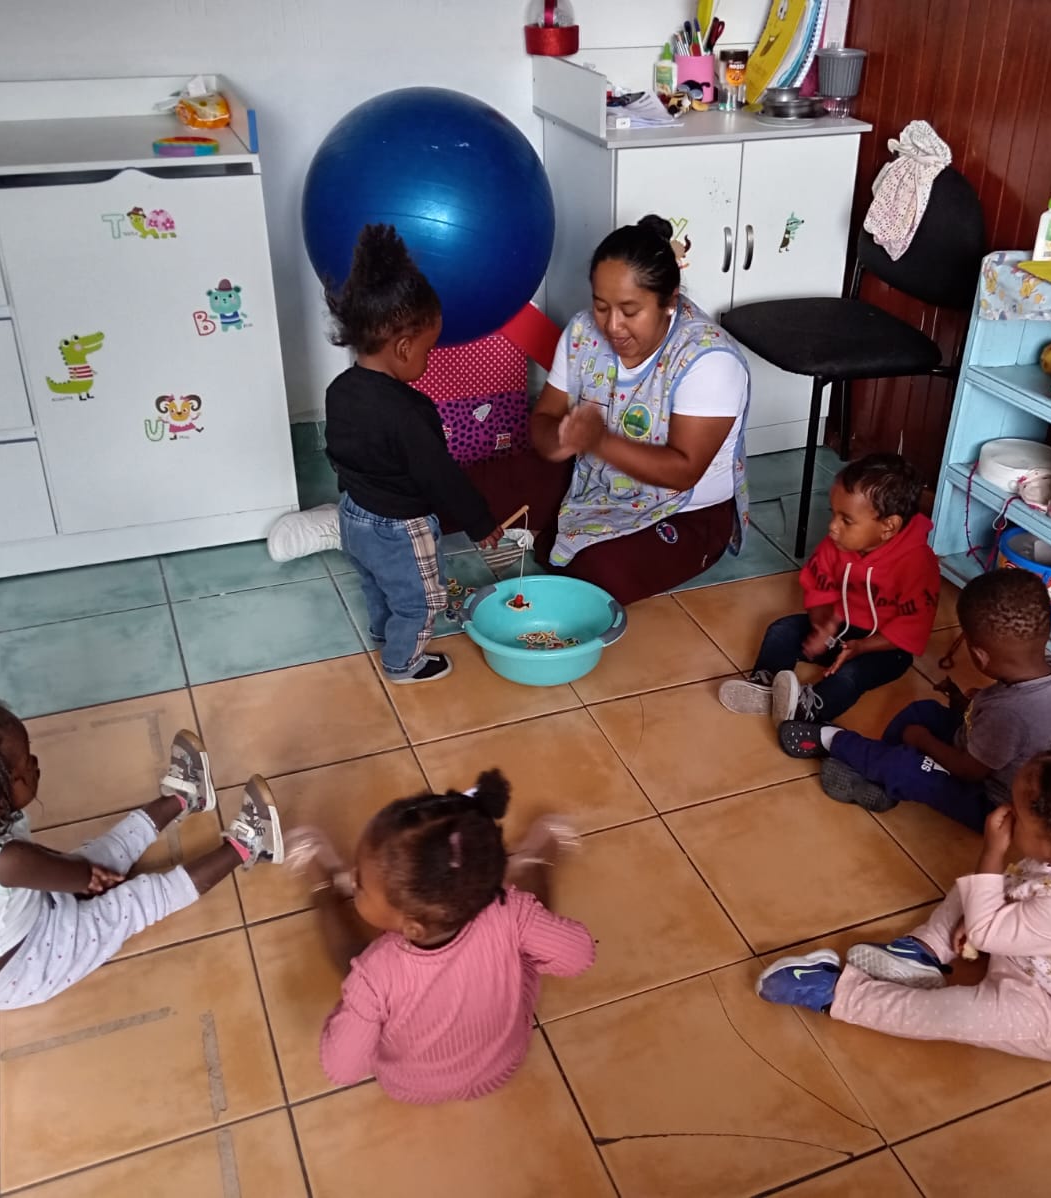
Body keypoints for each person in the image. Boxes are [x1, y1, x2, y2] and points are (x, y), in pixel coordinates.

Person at [756, 730, 1051, 1062]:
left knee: (954, 1014)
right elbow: (1019, 891)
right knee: (978, 887)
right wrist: (982, 917)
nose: (1004, 811)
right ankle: (922, 951)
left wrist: (992, 852)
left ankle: (837, 993)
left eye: (1016, 812)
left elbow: (995, 924)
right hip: (1036, 955)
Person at [0, 697, 282, 1011]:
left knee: (96, 858)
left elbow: (39, 866)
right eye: (25, 766)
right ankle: (248, 846)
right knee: (131, 901)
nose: (35, 763)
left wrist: (81, 873)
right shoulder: (5, 858)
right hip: (14, 971)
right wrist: (90, 877)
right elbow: (75, 875)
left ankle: (184, 799)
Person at [312, 770, 595, 1104]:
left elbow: (342, 1070)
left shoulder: (375, 973)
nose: (355, 878)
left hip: (414, 1087)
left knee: (355, 966)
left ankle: (323, 889)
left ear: (413, 928)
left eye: (360, 885)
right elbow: (579, 955)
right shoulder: (510, 910)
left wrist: (355, 1003)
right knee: (526, 922)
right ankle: (533, 862)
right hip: (500, 1065)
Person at [308, 224, 504, 684]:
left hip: (353, 515)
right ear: (402, 348)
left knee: (377, 582)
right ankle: (403, 662)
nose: (428, 361)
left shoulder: (339, 390)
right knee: (420, 598)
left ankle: (384, 634)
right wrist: (480, 522)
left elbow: (339, 451)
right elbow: (440, 477)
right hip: (398, 526)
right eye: (427, 351)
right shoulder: (409, 412)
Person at [524, 215, 753, 605]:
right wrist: (559, 441)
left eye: (630, 311)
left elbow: (683, 471)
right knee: (483, 488)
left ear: (670, 301)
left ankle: (573, 544)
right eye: (601, 306)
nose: (612, 326)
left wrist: (598, 441)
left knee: (595, 577)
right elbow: (544, 420)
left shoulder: (708, 358)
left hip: (686, 509)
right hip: (598, 480)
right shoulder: (582, 332)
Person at [776, 567, 1051, 832]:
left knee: (907, 764)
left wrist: (922, 741)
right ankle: (879, 779)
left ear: (979, 656)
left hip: (991, 803)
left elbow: (969, 770)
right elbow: (1010, 730)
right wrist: (967, 706)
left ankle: (833, 740)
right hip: (990, 753)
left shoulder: (1008, 715)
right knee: (923, 712)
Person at [718, 453, 938, 727]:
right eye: (833, 513)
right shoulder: (837, 544)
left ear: (888, 527)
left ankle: (807, 708)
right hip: (838, 632)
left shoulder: (917, 563)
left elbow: (913, 626)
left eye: (846, 520)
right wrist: (822, 626)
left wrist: (861, 646)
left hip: (882, 646)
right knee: (782, 630)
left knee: (850, 676)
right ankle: (765, 685)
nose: (832, 527)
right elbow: (818, 584)